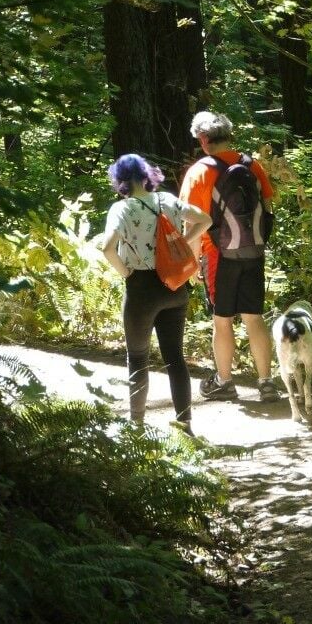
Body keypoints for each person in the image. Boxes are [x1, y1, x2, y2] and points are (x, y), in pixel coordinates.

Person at [100, 153, 211, 436]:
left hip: (141, 290)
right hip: (174, 286)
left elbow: (107, 247)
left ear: (121, 180)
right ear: (147, 175)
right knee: (175, 357)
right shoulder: (167, 200)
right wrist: (182, 243)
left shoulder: (122, 209)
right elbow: (205, 219)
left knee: (137, 357)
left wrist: (126, 273)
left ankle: (136, 426)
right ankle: (184, 425)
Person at [179, 111, 281, 403]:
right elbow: (267, 205)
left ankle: (224, 382)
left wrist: (193, 262)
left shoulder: (200, 171)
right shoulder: (252, 165)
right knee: (254, 316)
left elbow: (193, 224)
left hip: (218, 255)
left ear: (202, 138)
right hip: (254, 251)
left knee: (222, 319)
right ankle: (266, 383)